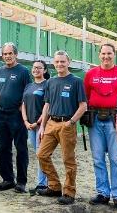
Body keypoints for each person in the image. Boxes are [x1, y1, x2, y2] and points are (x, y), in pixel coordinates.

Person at [36, 50, 87, 205]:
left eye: (62, 62)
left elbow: (83, 106)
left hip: (67, 125)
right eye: (57, 62)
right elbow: (47, 105)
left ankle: (69, 192)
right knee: (42, 155)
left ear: (68, 62)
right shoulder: (50, 82)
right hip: (51, 123)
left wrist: (71, 122)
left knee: (68, 160)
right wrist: (42, 126)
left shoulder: (76, 81)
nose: (59, 64)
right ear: (54, 63)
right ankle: (54, 186)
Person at [84, 44, 117, 211]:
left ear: (114, 55)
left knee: (116, 159)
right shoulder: (90, 74)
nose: (106, 57)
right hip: (95, 119)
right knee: (97, 158)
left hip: (115, 119)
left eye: (109, 53)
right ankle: (103, 193)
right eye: (103, 53)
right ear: (99, 55)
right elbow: (86, 95)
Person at [0, 42, 32, 193]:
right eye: (5, 54)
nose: (8, 56)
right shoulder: (0, 71)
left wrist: (23, 113)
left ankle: (21, 182)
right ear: (2, 56)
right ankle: (8, 179)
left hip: (17, 115)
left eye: (10, 53)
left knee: (21, 148)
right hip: (2, 114)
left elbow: (27, 93)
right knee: (4, 148)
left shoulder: (23, 71)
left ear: (16, 54)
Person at [20, 59, 49, 194]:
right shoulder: (29, 86)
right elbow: (24, 104)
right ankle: (43, 183)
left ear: (45, 70)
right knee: (39, 154)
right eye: (34, 67)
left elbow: (47, 106)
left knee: (41, 154)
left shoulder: (47, 84)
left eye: (39, 67)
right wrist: (26, 121)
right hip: (30, 125)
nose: (36, 69)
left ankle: (42, 184)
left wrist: (38, 122)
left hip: (41, 125)